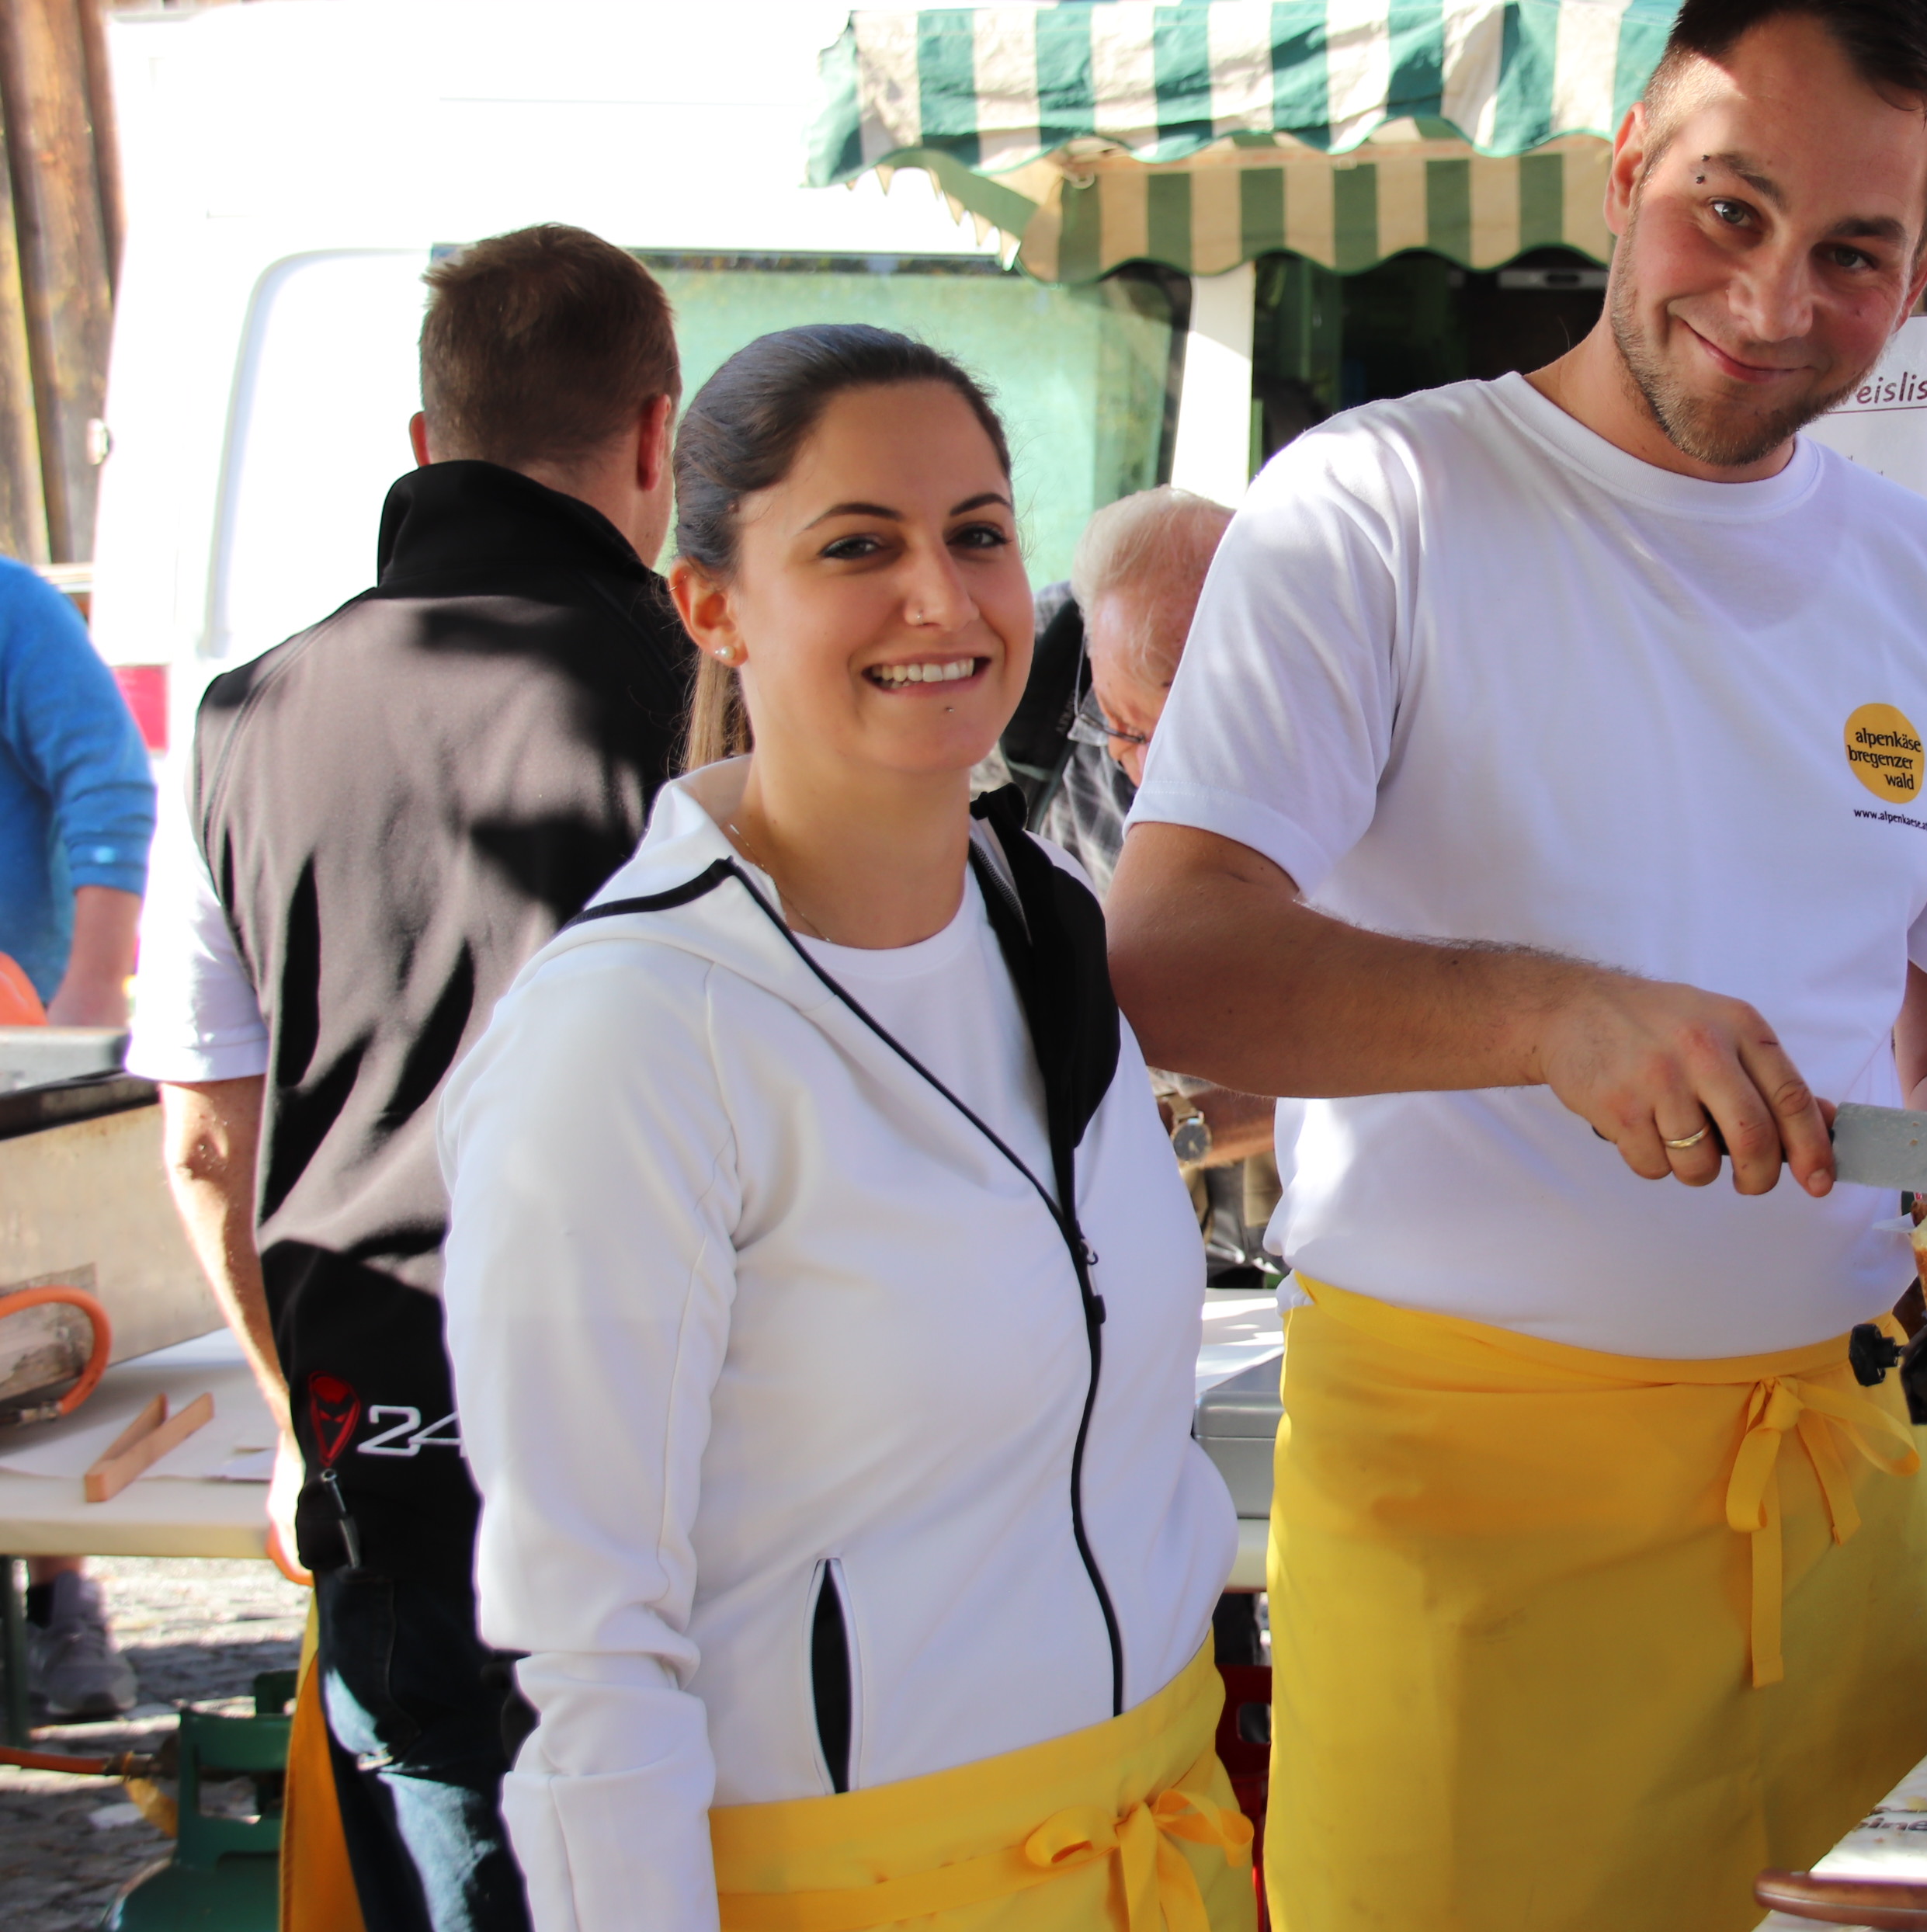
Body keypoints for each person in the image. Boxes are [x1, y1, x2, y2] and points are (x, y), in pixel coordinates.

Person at [1109, 0, 1927, 1931]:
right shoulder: (1380, 504)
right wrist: (1547, 1013)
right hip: (1471, 1542)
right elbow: (1174, 954)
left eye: (1852, 252)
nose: (1772, 301)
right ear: (1627, 169)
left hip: (1839, 1508)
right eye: (1725, 211)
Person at [439, 325, 1249, 1932]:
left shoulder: (1044, 919)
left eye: (977, 534)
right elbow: (587, 1645)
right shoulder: (632, 1034)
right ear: (712, 605)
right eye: (857, 547)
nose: (940, 597)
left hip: (1159, 1848)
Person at [124, 223, 693, 1931]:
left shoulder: (234, 720)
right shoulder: (708, 696)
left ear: (427, 445)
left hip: (383, 1450)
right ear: (656, 435)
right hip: (675, 1471)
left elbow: (207, 1141)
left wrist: (303, 1430)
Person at [1016, 488, 1281, 1282]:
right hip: (1111, 1190)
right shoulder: (1040, 673)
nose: (1126, 761)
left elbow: (1393, 1052)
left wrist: (1185, 1130)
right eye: (1114, 724)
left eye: (1155, 737)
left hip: (1282, 1184)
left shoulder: (1359, 755)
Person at [0, 554, 152, 1722]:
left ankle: (61, 1599)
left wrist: (90, 998)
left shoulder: (15, 609)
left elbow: (108, 784)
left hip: (20, 1041)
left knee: (33, 1341)